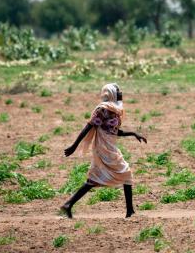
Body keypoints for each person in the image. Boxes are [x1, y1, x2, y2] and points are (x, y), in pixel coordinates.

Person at [60, 83, 147, 219]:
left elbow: (114, 131)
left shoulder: (115, 109)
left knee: (95, 179)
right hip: (103, 148)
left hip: (110, 147)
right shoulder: (102, 110)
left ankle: (69, 204)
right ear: (112, 93)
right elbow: (88, 127)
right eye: (118, 90)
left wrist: (133, 133)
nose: (120, 92)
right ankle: (130, 211)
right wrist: (74, 146)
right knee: (125, 173)